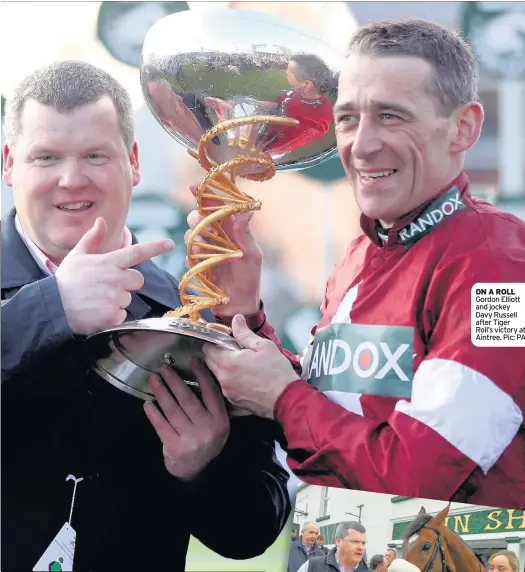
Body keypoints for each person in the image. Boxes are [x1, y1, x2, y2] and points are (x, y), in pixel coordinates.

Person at [194, 18, 525, 508]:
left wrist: (284, 400)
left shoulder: (504, 272)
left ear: (464, 127)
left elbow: (419, 477)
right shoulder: (361, 252)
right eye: (348, 118)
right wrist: (243, 315)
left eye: (391, 116)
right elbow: (328, 421)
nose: (361, 145)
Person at [1, 60, 290, 572]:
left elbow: (250, 534)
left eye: (95, 155)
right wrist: (53, 306)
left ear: (133, 161)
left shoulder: (196, 310)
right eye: (45, 157)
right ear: (8, 163)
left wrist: (201, 470)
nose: (71, 179)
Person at [296, 522, 368, 572]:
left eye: (363, 543)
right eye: (355, 542)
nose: (361, 547)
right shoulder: (312, 566)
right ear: (338, 541)